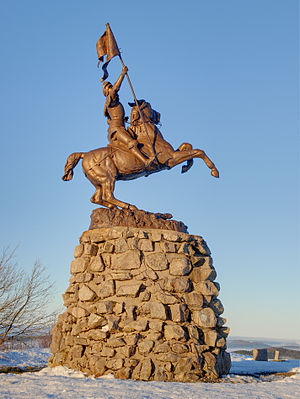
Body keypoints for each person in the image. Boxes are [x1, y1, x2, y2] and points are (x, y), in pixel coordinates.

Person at [102, 65, 155, 167]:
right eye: (109, 88)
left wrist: (122, 119)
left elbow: (110, 120)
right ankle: (145, 161)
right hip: (116, 129)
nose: (112, 88)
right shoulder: (110, 98)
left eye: (111, 86)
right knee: (132, 143)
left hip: (120, 127)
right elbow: (116, 88)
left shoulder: (114, 103)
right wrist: (122, 74)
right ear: (107, 91)